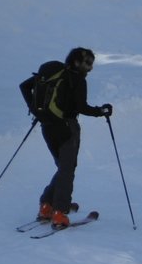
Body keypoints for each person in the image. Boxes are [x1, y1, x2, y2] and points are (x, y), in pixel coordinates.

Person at [21, 47, 112, 227]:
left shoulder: (54, 73)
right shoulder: (77, 80)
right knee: (67, 169)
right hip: (67, 128)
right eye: (87, 63)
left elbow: (24, 86)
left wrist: (35, 110)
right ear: (77, 62)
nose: (90, 68)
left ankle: (47, 205)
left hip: (47, 127)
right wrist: (101, 111)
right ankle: (59, 212)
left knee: (63, 167)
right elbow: (81, 107)